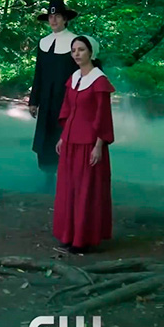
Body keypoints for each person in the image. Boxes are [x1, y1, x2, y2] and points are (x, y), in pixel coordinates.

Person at [53, 35, 115, 254]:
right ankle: (69, 235)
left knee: (85, 191)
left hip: (89, 145)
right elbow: (68, 110)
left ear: (91, 52)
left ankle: (83, 240)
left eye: (81, 49)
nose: (76, 54)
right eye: (73, 50)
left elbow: (103, 116)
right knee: (69, 189)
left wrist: (99, 145)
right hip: (71, 142)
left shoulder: (99, 81)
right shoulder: (74, 78)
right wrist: (63, 137)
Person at [29, 0, 80, 189]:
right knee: (46, 136)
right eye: (51, 16)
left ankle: (67, 178)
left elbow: (81, 72)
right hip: (46, 99)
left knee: (64, 135)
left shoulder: (75, 42)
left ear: (65, 19)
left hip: (67, 99)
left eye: (57, 16)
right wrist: (34, 100)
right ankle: (48, 176)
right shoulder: (44, 42)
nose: (53, 20)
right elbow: (39, 73)